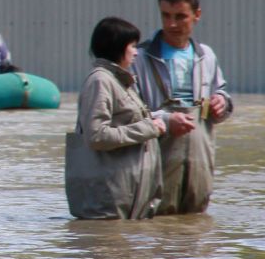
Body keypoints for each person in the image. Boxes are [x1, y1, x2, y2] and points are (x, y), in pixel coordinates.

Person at [65, 17, 190, 219]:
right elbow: (97, 136)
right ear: (117, 48)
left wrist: (162, 121)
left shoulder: (120, 80)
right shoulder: (100, 81)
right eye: (132, 46)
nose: (136, 52)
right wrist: (149, 129)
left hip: (126, 197)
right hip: (110, 200)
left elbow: (132, 120)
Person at [133, 0, 234, 214]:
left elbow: (222, 92)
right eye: (165, 15)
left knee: (196, 219)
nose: (171, 24)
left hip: (200, 150)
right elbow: (131, 112)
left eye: (180, 16)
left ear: (197, 15)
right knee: (156, 217)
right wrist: (167, 120)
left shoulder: (205, 55)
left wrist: (222, 102)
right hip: (157, 150)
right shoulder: (140, 57)